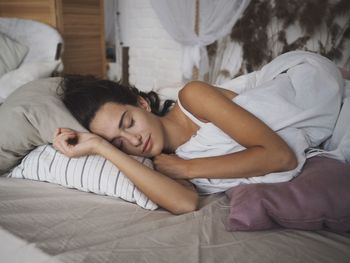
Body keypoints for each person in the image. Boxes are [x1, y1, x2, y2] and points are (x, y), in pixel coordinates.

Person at [53, 74, 298, 215]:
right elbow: (185, 202)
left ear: (142, 104)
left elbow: (281, 157)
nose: (134, 140)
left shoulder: (193, 97)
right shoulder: (164, 162)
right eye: (119, 142)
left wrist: (188, 169)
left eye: (128, 122)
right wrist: (100, 147)